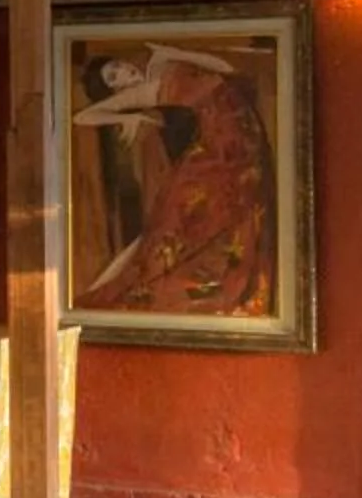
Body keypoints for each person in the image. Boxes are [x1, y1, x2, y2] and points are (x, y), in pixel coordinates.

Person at [73, 44, 269, 317]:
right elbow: (83, 116)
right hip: (217, 148)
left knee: (233, 208)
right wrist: (133, 115)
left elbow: (224, 68)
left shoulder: (159, 62)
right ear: (116, 90)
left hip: (241, 131)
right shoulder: (141, 93)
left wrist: (174, 52)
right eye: (114, 79)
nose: (124, 73)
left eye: (116, 67)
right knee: (179, 225)